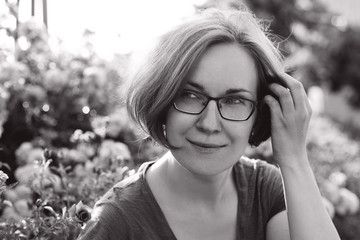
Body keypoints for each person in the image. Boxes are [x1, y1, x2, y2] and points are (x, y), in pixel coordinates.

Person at [78, 7, 340, 240]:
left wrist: (294, 160)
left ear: (259, 114)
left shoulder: (265, 190)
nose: (209, 123)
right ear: (162, 100)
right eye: (190, 96)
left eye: (235, 100)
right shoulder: (116, 222)